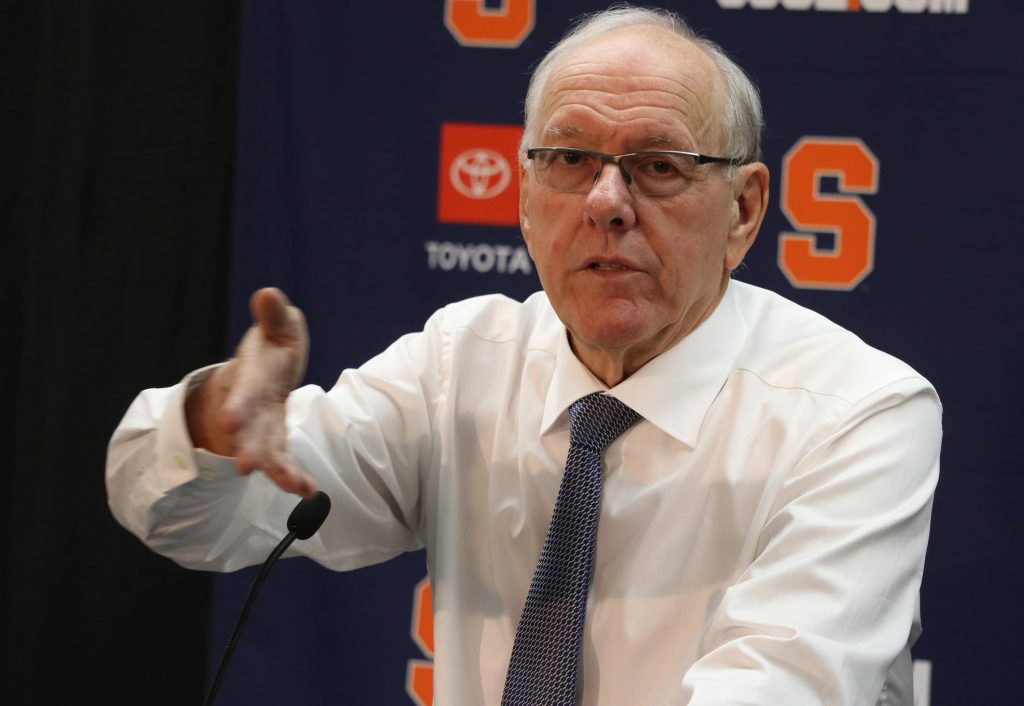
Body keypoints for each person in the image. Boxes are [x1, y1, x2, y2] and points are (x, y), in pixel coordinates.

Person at [106, 6, 941, 705]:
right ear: (525, 197)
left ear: (744, 210)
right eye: (570, 160)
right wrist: (213, 422)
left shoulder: (860, 412)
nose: (607, 204)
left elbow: (778, 690)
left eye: (658, 166)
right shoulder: (461, 363)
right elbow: (179, 518)